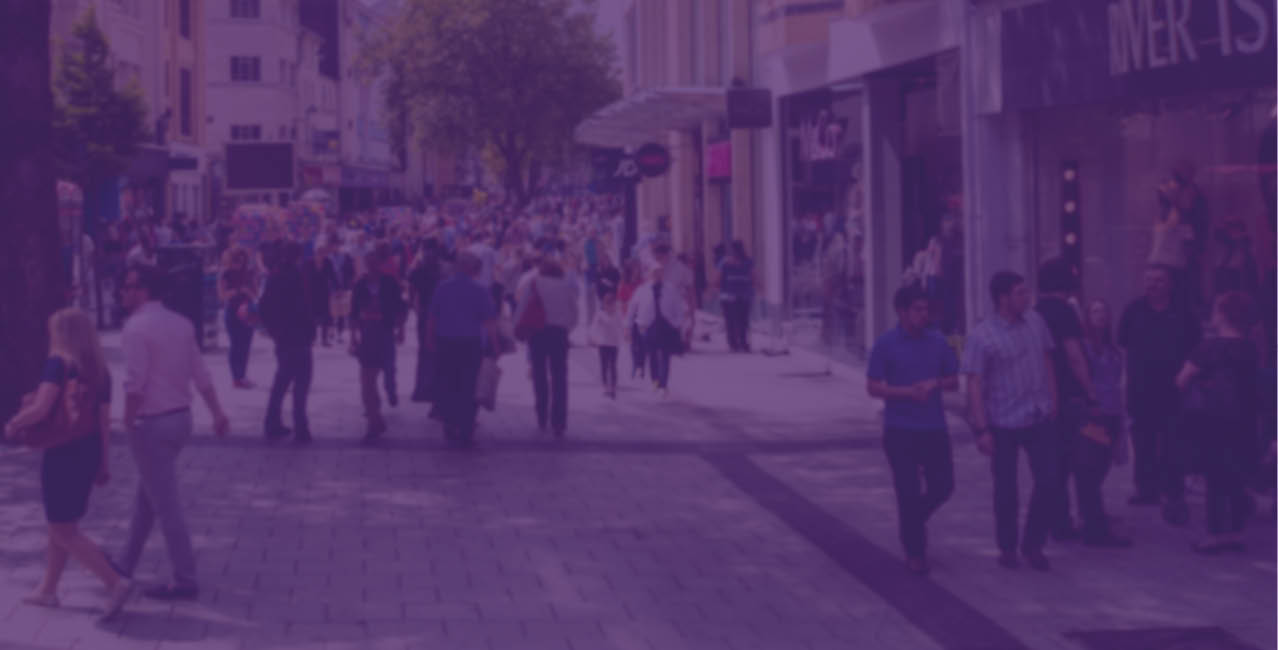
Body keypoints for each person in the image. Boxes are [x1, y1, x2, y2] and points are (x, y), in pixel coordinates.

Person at [3, 308, 135, 620]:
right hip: (87, 451)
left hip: (62, 453)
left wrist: (14, 423)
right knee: (63, 524)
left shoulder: (59, 364)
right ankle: (48, 590)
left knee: (62, 529)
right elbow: (104, 423)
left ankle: (114, 582)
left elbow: (42, 407)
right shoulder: (101, 372)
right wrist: (103, 462)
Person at [115, 264, 230, 600]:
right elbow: (201, 374)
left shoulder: (135, 328)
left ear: (143, 290)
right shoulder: (182, 324)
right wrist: (218, 413)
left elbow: (134, 383)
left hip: (151, 424)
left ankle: (185, 578)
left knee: (166, 505)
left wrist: (126, 421)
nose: (123, 292)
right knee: (148, 496)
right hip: (181, 420)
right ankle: (124, 564)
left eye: (128, 286)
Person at [962, 271, 1059, 571]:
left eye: (1026, 291)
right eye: (1020, 293)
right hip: (1002, 421)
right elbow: (974, 383)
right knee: (1006, 489)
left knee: (1050, 480)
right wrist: (981, 429)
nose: (1027, 297)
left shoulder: (1036, 322)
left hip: (1037, 415)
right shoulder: (982, 336)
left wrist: (1053, 401)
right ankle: (1007, 547)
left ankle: (1033, 544)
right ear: (1003, 298)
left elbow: (1047, 359)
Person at [1035, 258, 1130, 548]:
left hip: (1047, 399)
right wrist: (1091, 393)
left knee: (1059, 465)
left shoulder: (1035, 312)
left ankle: (1060, 524)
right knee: (1089, 463)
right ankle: (1095, 527)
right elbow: (1075, 356)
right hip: (1074, 401)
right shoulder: (1064, 312)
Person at [866, 286, 958, 575]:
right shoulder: (885, 344)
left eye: (926, 309)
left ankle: (912, 520)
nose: (923, 315)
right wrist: (907, 393)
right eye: (917, 309)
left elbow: (953, 380)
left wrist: (935, 384)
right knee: (907, 491)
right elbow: (873, 387)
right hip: (900, 430)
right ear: (901, 312)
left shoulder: (938, 341)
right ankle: (915, 553)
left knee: (943, 486)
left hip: (934, 428)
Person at [1175, 291, 1260, 554]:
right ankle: (1235, 531)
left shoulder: (1209, 348)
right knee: (1235, 472)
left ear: (1223, 314)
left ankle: (1215, 534)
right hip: (1244, 420)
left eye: (1215, 309)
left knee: (1214, 475)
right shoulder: (1251, 349)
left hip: (1212, 420)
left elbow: (1182, 380)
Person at [1117, 265, 1201, 522]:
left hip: (1173, 389)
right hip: (1140, 389)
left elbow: (1196, 347)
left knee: (1172, 441)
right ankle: (1146, 489)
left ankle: (1173, 490)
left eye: (1159, 280)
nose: (1152, 285)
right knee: (1142, 441)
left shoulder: (1184, 312)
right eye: (1148, 280)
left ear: (1170, 284)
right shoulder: (1133, 310)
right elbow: (1122, 343)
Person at [426, 252, 500, 448]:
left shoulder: (443, 287)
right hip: (470, 344)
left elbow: (432, 316)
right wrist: (495, 345)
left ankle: (450, 426)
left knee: (449, 383)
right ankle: (466, 429)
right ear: (472, 269)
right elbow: (489, 322)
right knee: (469, 386)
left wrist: (429, 339)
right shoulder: (480, 290)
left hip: (446, 342)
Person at [257, 241, 317, 444]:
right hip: (299, 336)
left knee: (282, 381)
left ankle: (272, 422)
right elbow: (305, 307)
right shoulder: (298, 276)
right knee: (301, 382)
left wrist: (274, 331)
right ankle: (301, 427)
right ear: (298, 256)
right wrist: (310, 330)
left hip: (283, 338)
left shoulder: (274, 276)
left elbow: (263, 307)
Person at [516, 258, 580, 436]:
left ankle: (542, 415)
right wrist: (566, 328)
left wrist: (519, 329)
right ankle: (559, 421)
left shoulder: (534, 283)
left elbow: (522, 307)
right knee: (559, 377)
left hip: (537, 333)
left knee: (539, 375)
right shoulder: (565, 286)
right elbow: (575, 314)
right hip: (559, 334)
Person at [351, 245, 407, 443]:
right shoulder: (360, 285)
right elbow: (353, 313)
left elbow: (401, 307)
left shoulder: (389, 283)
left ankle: (388, 396)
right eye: (369, 263)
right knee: (367, 381)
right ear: (366, 265)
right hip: (368, 334)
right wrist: (353, 337)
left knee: (388, 369)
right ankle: (374, 422)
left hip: (385, 332)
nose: (372, 267)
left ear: (380, 264)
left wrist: (401, 329)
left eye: (375, 263)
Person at [626, 265, 688, 397]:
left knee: (665, 356)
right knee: (652, 355)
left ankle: (663, 385)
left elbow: (680, 307)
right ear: (649, 274)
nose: (657, 275)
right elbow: (632, 308)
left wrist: (678, 323)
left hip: (666, 325)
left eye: (659, 272)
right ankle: (655, 381)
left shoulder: (670, 289)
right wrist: (628, 326)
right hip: (648, 326)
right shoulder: (642, 290)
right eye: (654, 273)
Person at [218, 246, 257, 389]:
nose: (239, 264)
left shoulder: (248, 273)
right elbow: (222, 296)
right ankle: (236, 377)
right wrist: (236, 291)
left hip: (247, 311)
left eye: (242, 261)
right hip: (232, 310)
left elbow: (255, 294)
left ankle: (242, 376)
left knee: (246, 345)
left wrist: (248, 292)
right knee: (236, 344)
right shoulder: (225, 274)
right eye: (236, 261)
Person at [410, 239, 443, 403]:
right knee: (437, 352)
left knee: (424, 351)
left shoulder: (418, 270)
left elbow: (412, 295)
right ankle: (433, 389)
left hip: (424, 313)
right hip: (439, 315)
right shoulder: (443, 270)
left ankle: (421, 389)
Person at [716, 240, 757, 353]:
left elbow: (718, 278)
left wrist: (717, 288)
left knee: (731, 320)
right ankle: (742, 342)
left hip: (728, 295)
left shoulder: (724, 262)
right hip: (744, 294)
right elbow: (753, 277)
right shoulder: (748, 262)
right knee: (743, 319)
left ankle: (734, 343)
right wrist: (753, 287)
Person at [590, 288, 623, 399]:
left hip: (614, 344)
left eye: (612, 305)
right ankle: (605, 386)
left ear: (615, 305)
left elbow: (621, 327)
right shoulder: (600, 314)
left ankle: (613, 387)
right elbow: (594, 327)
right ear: (604, 305)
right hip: (603, 344)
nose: (610, 307)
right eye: (607, 305)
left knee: (613, 366)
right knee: (604, 366)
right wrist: (592, 338)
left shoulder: (618, 314)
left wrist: (624, 336)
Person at [619, 258, 646, 380]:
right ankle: (635, 364)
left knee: (642, 342)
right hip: (630, 316)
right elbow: (621, 301)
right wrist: (624, 318)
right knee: (633, 343)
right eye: (634, 268)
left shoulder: (643, 283)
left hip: (642, 316)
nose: (636, 270)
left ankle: (641, 365)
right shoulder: (624, 283)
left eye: (638, 268)